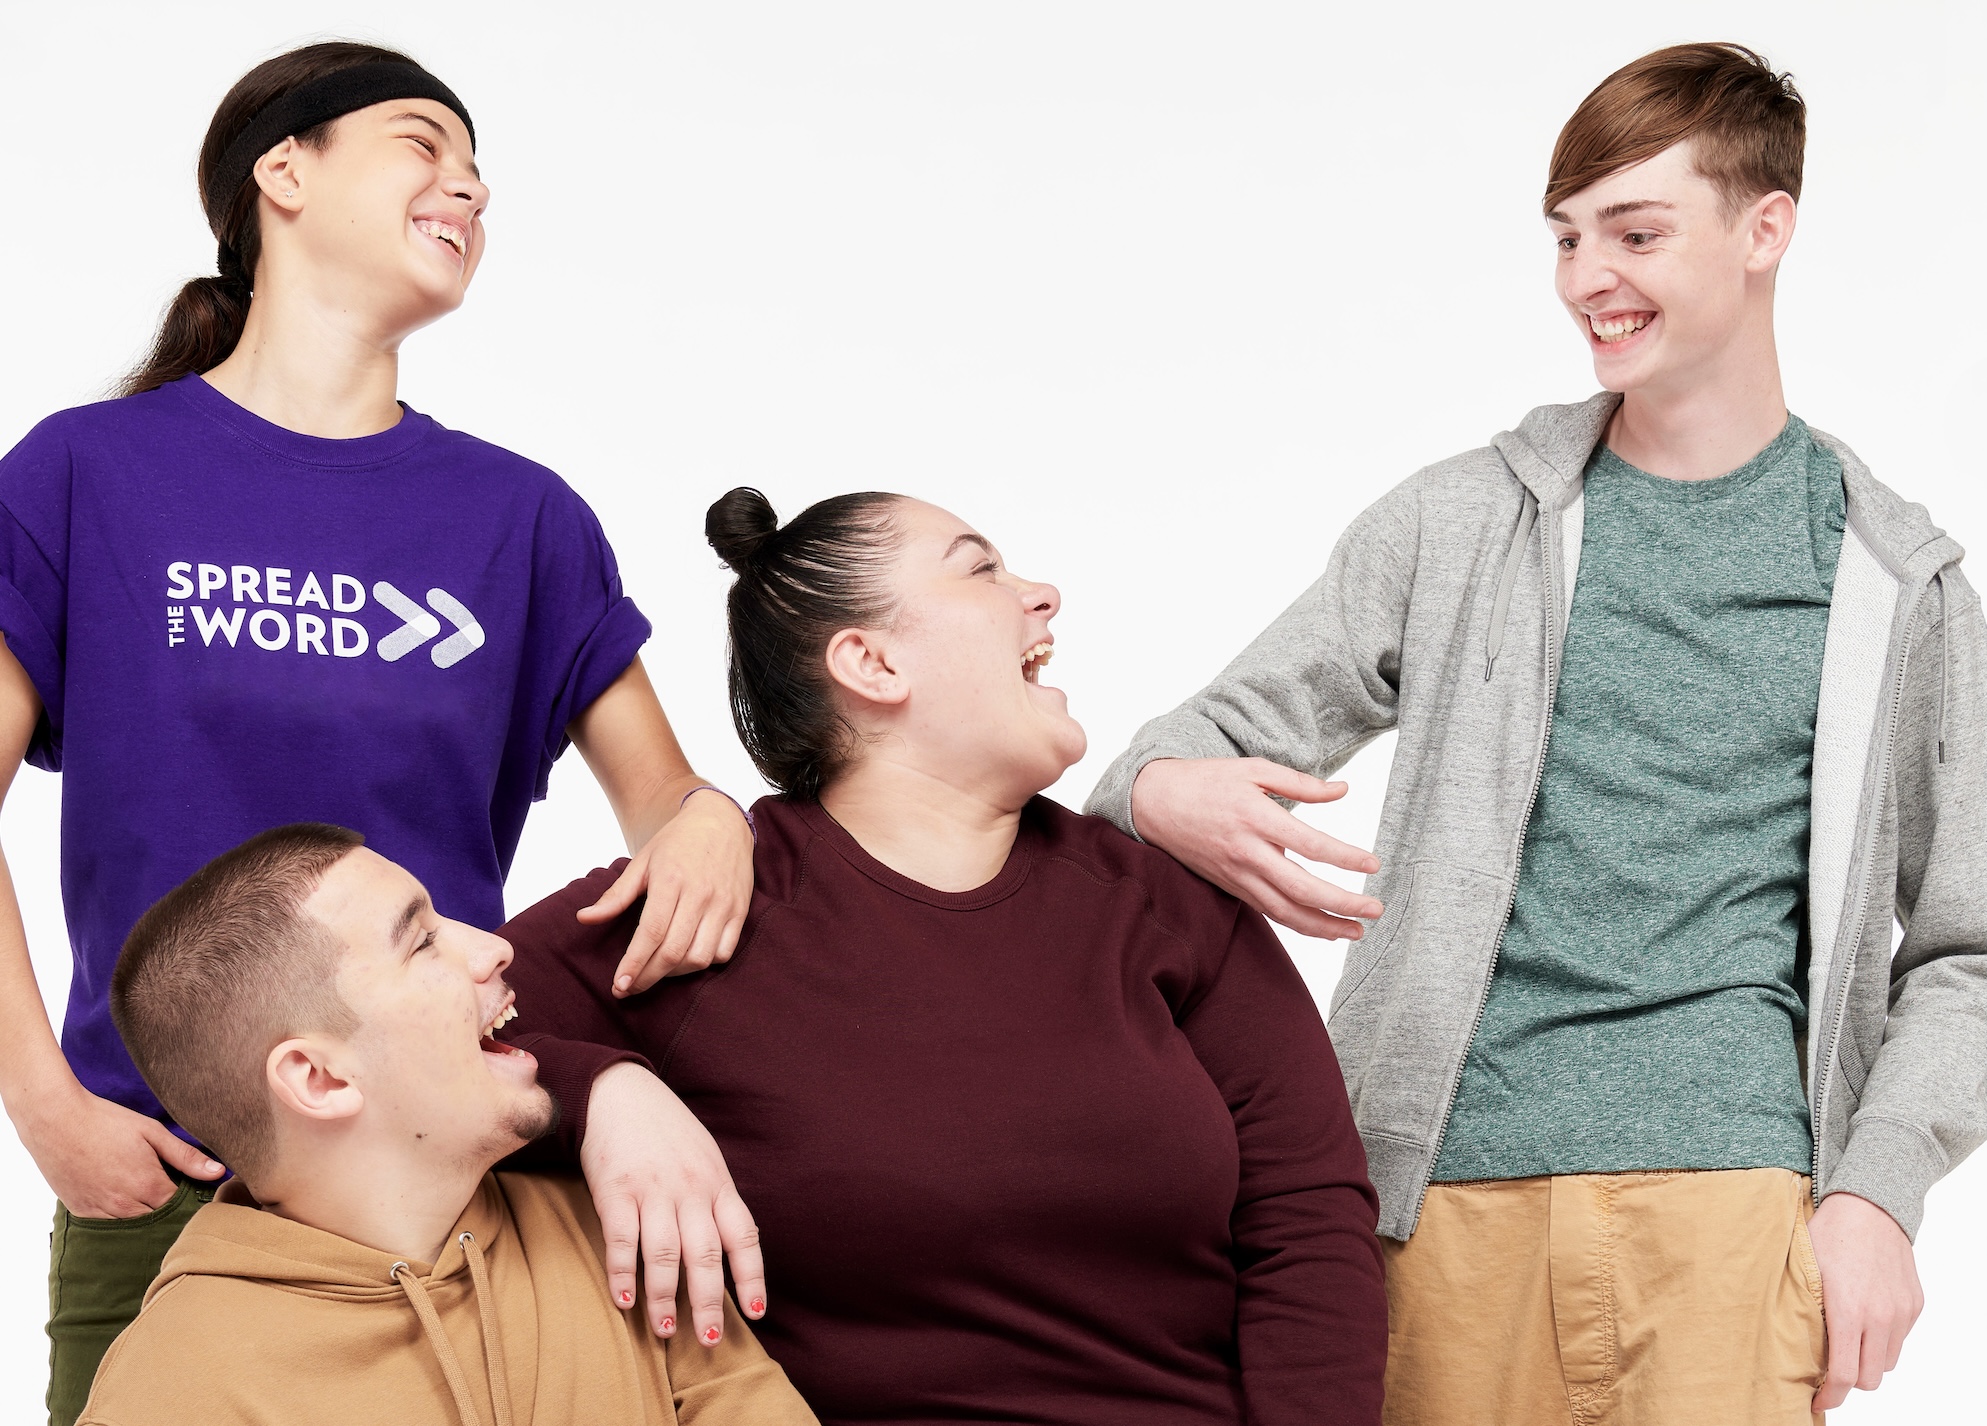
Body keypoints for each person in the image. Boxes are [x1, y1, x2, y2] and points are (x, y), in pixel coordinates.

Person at [1086, 42, 1986, 1425]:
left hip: (1734, 1209)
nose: (1584, 279)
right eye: (1566, 237)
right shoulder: (1456, 521)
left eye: (1633, 232)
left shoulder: (1894, 580)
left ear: (1764, 229)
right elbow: (1185, 738)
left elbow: (1964, 944)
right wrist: (1158, 789)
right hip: (1429, 1204)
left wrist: (1874, 1191)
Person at [0, 43, 757, 1424]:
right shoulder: (81, 473)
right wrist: (40, 1096)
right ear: (281, 173)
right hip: (166, 1176)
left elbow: (668, 808)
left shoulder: (518, 519)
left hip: (457, 1180)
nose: (465, 182)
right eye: (422, 141)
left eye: (479, 170)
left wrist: (705, 825)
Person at [491, 488, 1389, 1425]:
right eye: (982, 567)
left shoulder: (1166, 907)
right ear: (872, 662)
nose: (1042, 595)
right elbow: (405, 1043)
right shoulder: (704, 901)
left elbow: (1308, 1217)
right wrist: (602, 1093)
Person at [75, 822, 813, 1426]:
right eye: (422, 940)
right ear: (320, 1079)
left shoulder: (617, 1232)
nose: (494, 947)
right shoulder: (171, 1392)